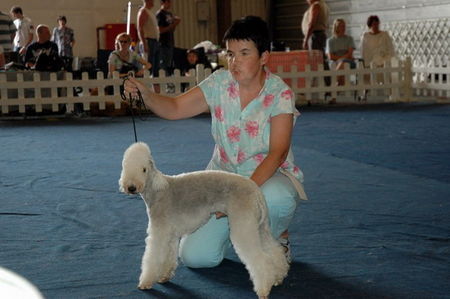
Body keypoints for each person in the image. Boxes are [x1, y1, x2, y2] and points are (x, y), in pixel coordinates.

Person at [124, 16, 307, 268]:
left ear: (264, 56)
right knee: (196, 258)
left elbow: (277, 153)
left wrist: (239, 198)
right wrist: (147, 95)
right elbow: (176, 107)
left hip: (267, 177)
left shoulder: (280, 93)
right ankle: (238, 232)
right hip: (220, 180)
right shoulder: (219, 83)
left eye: (244, 53)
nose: (234, 62)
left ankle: (277, 237)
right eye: (230, 54)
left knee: (279, 198)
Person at [326, 18, 356, 86]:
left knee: (342, 63)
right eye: (341, 26)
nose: (343, 28)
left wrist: (341, 59)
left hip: (348, 62)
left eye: (344, 26)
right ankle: (335, 92)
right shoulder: (330, 41)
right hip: (335, 63)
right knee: (342, 75)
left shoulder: (349, 39)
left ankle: (332, 84)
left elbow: (350, 54)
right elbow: (330, 56)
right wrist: (341, 59)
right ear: (336, 27)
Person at [156, 0, 181, 76]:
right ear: (162, 3)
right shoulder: (160, 14)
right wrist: (173, 25)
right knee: (163, 64)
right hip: (163, 43)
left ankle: (168, 78)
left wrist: (174, 24)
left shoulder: (169, 14)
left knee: (169, 64)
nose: (170, 4)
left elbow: (172, 29)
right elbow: (160, 30)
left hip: (170, 42)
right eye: (168, 2)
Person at [137, 0, 160, 77]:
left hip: (154, 41)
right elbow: (140, 28)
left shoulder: (149, 12)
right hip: (148, 41)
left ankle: (155, 88)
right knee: (148, 66)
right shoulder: (143, 12)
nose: (153, 2)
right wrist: (144, 43)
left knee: (155, 68)